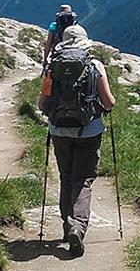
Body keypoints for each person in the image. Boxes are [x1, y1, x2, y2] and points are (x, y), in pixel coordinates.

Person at [39, 24, 116, 257]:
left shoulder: (52, 66)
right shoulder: (94, 65)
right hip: (89, 130)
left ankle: (67, 226)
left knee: (66, 177)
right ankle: (77, 226)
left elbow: (42, 104)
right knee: (83, 180)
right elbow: (110, 102)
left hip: (59, 130)